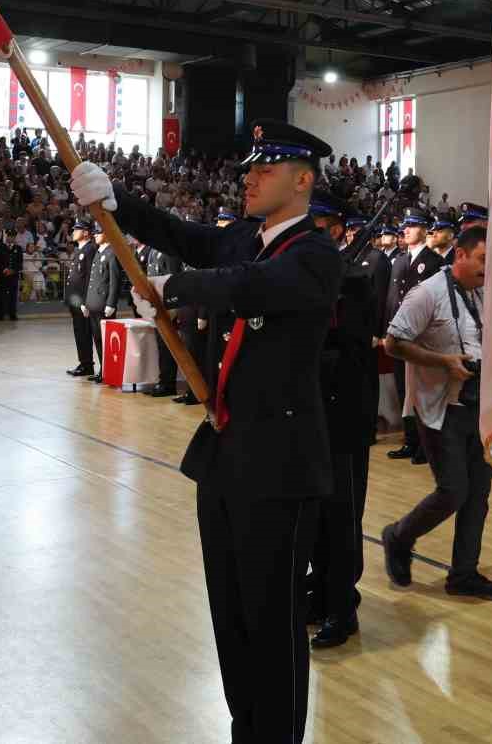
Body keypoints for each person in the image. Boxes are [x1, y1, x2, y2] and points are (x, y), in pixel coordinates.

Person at [71, 119, 342, 744]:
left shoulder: (313, 253)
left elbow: (254, 286)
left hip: (279, 465)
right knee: (232, 613)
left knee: (273, 621)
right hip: (225, 455)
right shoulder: (248, 238)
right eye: (249, 168)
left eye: (264, 169)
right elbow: (187, 237)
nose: (248, 177)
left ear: (302, 181)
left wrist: (173, 287)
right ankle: (245, 728)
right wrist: (118, 202)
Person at [381, 226, 492, 601]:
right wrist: (442, 362)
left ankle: (463, 574)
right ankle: (399, 536)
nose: (488, 268)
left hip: (477, 406)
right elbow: (393, 343)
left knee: (478, 494)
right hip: (440, 408)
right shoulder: (427, 293)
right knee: (453, 491)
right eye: (483, 260)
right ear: (461, 255)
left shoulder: (484, 292)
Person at [307, 193, 387, 649]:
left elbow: (352, 353)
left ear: (338, 229)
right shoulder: (312, 274)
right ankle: (319, 594)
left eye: (320, 225)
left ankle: (343, 605)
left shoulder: (355, 278)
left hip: (343, 417)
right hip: (312, 417)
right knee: (316, 515)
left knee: (342, 516)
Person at [386, 212, 442, 464]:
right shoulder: (399, 261)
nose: (406, 230)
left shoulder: (432, 261)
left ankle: (425, 444)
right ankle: (410, 439)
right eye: (405, 226)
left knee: (422, 390)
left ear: (424, 229)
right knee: (403, 388)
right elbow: (391, 300)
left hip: (421, 335)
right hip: (400, 333)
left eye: (412, 226)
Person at [138, 239, 185, 398]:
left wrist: (172, 308)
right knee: (161, 345)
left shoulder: (169, 252)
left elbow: (173, 280)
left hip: (166, 307)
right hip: (156, 305)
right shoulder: (153, 250)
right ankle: (163, 380)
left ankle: (168, 383)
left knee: (167, 347)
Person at [84, 224, 122, 384]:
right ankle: (103, 370)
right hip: (93, 303)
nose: (95, 236)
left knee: (106, 341)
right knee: (97, 339)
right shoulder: (98, 253)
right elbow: (91, 280)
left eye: (99, 233)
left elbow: (115, 281)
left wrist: (111, 303)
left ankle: (109, 371)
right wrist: (86, 302)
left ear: (106, 234)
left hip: (103, 304)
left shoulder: (112, 254)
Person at [65, 221, 96, 377]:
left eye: (77, 229)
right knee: (79, 332)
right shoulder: (81, 249)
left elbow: (90, 276)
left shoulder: (90, 249)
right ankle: (84, 363)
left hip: (82, 300)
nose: (73, 232)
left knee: (84, 332)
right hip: (75, 300)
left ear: (85, 232)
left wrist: (85, 301)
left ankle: (87, 364)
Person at [0, 229, 22, 321]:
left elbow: (20, 263)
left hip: (13, 275)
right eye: (9, 236)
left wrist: (13, 270)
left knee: (13, 295)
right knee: (1, 295)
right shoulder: (0, 247)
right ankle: (0, 314)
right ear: (6, 236)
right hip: (3, 274)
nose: (11, 238)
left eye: (13, 236)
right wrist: (4, 269)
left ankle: (12, 314)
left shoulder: (18, 248)